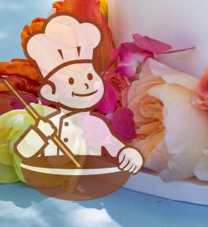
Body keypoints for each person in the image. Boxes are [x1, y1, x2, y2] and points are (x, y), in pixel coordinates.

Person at [15, 13, 142, 173]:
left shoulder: (98, 122)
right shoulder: (50, 121)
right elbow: (25, 147)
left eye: (90, 78)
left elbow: (113, 143)